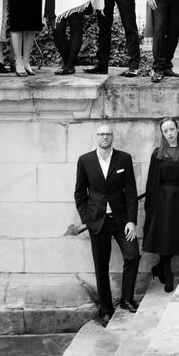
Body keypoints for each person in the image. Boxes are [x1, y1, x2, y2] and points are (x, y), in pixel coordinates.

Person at [73, 124, 139, 323]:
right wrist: (87, 219)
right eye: (101, 134)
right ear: (96, 137)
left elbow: (131, 192)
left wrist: (131, 221)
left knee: (133, 255)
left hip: (121, 221)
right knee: (101, 266)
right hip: (98, 222)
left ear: (112, 137)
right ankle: (105, 308)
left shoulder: (123, 159)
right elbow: (79, 193)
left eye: (108, 134)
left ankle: (127, 299)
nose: (104, 137)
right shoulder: (85, 160)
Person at [143, 118, 179, 293]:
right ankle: (168, 273)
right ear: (162, 134)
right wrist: (150, 207)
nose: (169, 133)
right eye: (165, 131)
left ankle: (159, 267)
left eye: (171, 129)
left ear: (177, 129)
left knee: (177, 235)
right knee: (164, 236)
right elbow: (151, 183)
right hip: (162, 201)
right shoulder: (157, 154)